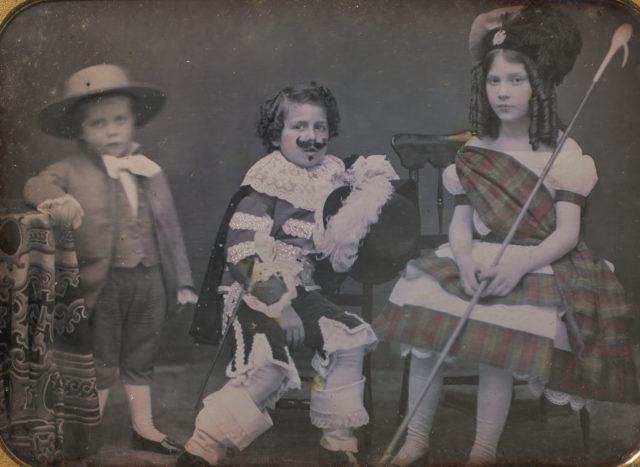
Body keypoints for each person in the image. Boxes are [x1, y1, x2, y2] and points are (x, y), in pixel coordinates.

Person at [373, 5, 640, 466]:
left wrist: (518, 263)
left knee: (499, 337)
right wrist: (462, 257)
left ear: (540, 85)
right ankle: (415, 439)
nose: (503, 92)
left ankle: (483, 450)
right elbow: (461, 219)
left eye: (516, 80)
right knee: (426, 317)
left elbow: (568, 234)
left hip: (537, 260)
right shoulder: (476, 150)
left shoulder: (565, 154)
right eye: (494, 81)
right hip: (476, 256)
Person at [179, 83, 384, 466]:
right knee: (268, 368)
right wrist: (281, 306)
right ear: (277, 134)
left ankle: (339, 443)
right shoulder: (267, 180)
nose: (312, 137)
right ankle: (203, 447)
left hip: (304, 289)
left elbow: (337, 243)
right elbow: (241, 256)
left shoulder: (332, 175)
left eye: (320, 127)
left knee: (349, 339)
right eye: (299, 127)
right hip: (254, 294)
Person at [23, 64, 198, 455]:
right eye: (97, 123)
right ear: (80, 130)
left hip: (150, 278)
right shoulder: (71, 169)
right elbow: (38, 183)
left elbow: (169, 229)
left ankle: (144, 426)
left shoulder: (148, 170)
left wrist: (183, 281)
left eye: (119, 119)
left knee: (142, 350)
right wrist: (56, 199)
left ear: (134, 119)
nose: (112, 130)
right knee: (100, 358)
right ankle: (88, 429)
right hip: (103, 282)